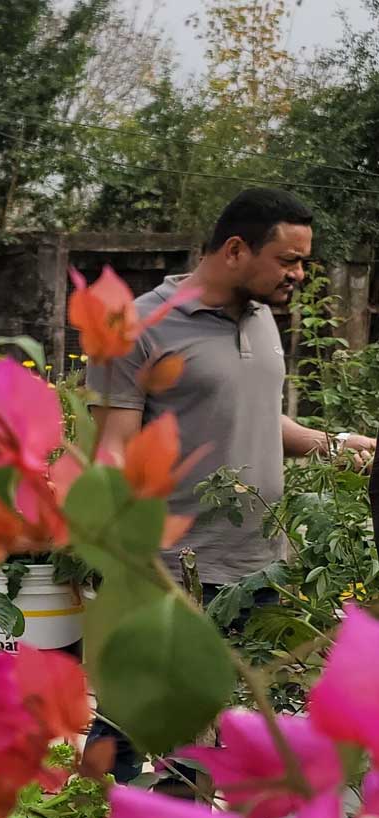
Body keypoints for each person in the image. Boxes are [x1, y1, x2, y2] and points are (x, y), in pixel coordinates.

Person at [87, 187, 373, 780]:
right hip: (178, 565)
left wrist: (336, 447)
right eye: (289, 260)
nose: (299, 274)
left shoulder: (263, 317)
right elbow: (112, 448)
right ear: (237, 250)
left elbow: (263, 419)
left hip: (264, 565)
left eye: (303, 261)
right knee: (131, 723)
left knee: (229, 734)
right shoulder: (138, 327)